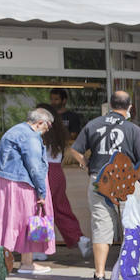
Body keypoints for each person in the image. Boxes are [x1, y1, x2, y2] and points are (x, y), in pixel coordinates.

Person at [69, 90, 140, 280]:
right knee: (132, 227)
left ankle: (99, 274)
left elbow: (74, 149)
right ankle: (132, 272)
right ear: (129, 107)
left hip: (100, 181)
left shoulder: (93, 125)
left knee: (101, 225)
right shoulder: (133, 129)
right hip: (127, 184)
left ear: (110, 105)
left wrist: (85, 162)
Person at [0, 108, 55, 275]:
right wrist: (42, 193)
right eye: (48, 127)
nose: (46, 131)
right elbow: (35, 167)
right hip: (19, 183)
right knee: (26, 221)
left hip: (2, 182)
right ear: (40, 122)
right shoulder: (30, 136)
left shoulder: (14, 130)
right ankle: (27, 263)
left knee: (3, 220)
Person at [38, 102, 88, 260]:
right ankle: (79, 238)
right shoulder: (59, 132)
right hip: (57, 172)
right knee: (61, 208)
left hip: (43, 171)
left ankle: (40, 248)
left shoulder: (39, 133)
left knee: (40, 210)